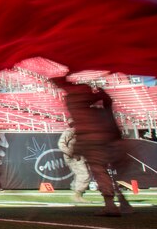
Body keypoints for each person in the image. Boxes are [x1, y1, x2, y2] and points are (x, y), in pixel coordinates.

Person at [53, 76, 132, 217]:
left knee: (100, 172)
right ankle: (119, 200)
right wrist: (99, 94)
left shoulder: (74, 100)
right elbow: (106, 101)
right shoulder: (86, 102)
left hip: (93, 139)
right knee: (108, 172)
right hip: (106, 135)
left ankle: (111, 204)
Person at [58, 125, 91, 202]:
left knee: (81, 175)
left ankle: (78, 195)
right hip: (73, 157)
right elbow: (61, 144)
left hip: (81, 156)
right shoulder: (70, 131)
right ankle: (77, 195)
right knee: (84, 174)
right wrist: (71, 154)